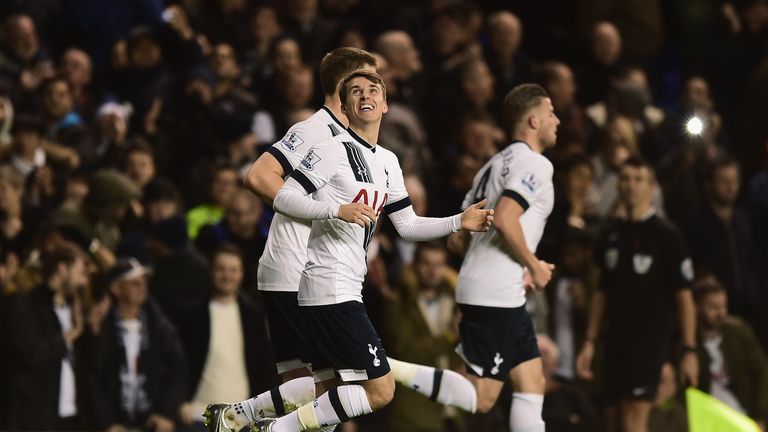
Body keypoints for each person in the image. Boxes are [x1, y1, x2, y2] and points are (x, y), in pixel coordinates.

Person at [246, 70, 492, 432]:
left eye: (373, 89)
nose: (366, 95)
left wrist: (459, 221)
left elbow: (406, 226)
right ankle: (273, 428)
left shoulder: (388, 161)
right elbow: (284, 198)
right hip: (327, 287)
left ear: (385, 104)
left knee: (328, 399)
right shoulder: (329, 150)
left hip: (347, 286)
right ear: (344, 106)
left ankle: (249, 416)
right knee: (380, 389)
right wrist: (335, 209)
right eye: (356, 91)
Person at [449, 83, 559, 432]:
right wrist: (534, 265)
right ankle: (390, 372)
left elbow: (459, 239)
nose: (557, 120)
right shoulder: (536, 164)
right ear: (532, 120)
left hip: (492, 286)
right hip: (495, 293)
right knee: (483, 398)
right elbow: (507, 218)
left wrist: (513, 264)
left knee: (532, 382)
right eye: (550, 113)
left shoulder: (489, 167)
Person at [575, 156, 699, 432]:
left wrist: (688, 349)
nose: (631, 186)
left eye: (638, 179)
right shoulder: (610, 234)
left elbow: (684, 296)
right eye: (626, 179)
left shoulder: (667, 235)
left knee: (634, 419)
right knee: (611, 419)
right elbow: (602, 291)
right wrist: (590, 340)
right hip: (615, 337)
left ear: (652, 187)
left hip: (649, 340)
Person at [177, 245, 279, 431]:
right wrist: (179, 402)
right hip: (197, 416)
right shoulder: (190, 315)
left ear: (241, 274)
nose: (227, 276)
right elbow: (178, 363)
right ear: (211, 271)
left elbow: (264, 365)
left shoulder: (254, 316)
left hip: (243, 419)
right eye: (221, 269)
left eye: (233, 270)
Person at [85, 257, 187, 432]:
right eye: (134, 283)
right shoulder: (102, 329)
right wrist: (107, 422)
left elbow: (178, 369)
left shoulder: (159, 326)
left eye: (144, 282)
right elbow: (91, 377)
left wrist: (166, 412)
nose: (142, 287)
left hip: (151, 422)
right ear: (116, 289)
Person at [4, 242, 89, 431]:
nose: (84, 282)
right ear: (62, 269)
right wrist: (70, 334)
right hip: (35, 418)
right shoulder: (25, 304)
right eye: (80, 273)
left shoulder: (76, 307)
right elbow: (31, 353)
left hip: (71, 416)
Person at [692, 276, 768, 427]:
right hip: (708, 419)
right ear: (697, 306)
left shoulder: (738, 332)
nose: (720, 313)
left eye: (723, 306)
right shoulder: (687, 342)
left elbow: (761, 374)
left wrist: (760, 415)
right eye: (713, 307)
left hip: (743, 414)